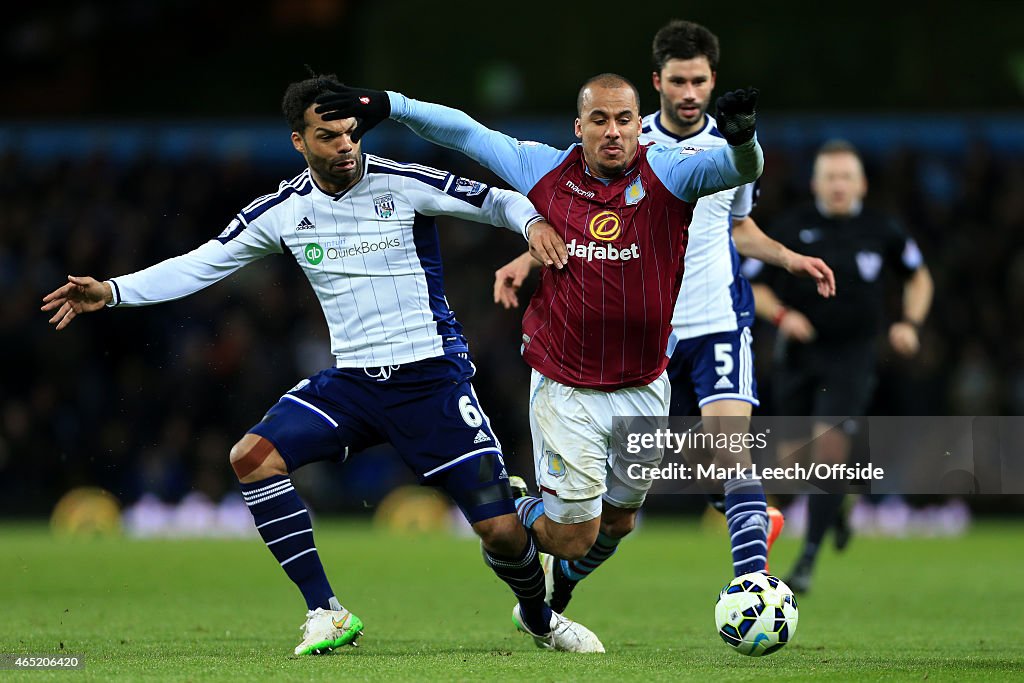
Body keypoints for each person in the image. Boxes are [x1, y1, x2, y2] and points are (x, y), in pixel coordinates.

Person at [40, 74, 605, 655]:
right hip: (353, 384)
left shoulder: (404, 184)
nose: (345, 146)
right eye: (328, 136)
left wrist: (531, 223)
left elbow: (498, 199)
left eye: (350, 133)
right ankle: (326, 610)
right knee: (252, 457)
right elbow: (202, 263)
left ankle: (540, 618)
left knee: (503, 533)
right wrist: (111, 291)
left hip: (431, 380)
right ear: (298, 141)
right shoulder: (283, 211)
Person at [313, 72, 766, 645]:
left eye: (624, 119)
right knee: (573, 537)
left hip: (647, 383)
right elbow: (465, 134)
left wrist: (743, 136)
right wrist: (392, 104)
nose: (612, 131)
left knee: (621, 521)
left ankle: (536, 530)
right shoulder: (545, 169)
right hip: (567, 386)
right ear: (579, 128)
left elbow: (741, 168)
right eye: (599, 120)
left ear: (638, 125)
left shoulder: (671, 172)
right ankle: (512, 510)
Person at [491, 19, 836, 611]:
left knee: (731, 451)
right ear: (657, 83)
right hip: (654, 334)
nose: (688, 92)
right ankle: (568, 576)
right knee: (618, 515)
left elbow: (738, 227)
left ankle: (751, 587)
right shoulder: (630, 141)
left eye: (698, 80)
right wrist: (528, 254)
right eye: (677, 80)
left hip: (720, 316)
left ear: (712, 81)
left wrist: (788, 258)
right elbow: (584, 215)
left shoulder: (731, 146)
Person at [745, 139, 933, 593]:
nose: (838, 185)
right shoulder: (790, 228)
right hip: (799, 357)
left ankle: (807, 559)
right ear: (815, 183)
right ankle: (840, 506)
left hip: (853, 356)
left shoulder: (882, 229)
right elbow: (752, 286)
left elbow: (919, 277)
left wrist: (909, 322)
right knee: (795, 463)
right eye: (830, 177)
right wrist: (784, 317)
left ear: (861, 183)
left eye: (846, 176)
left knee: (828, 450)